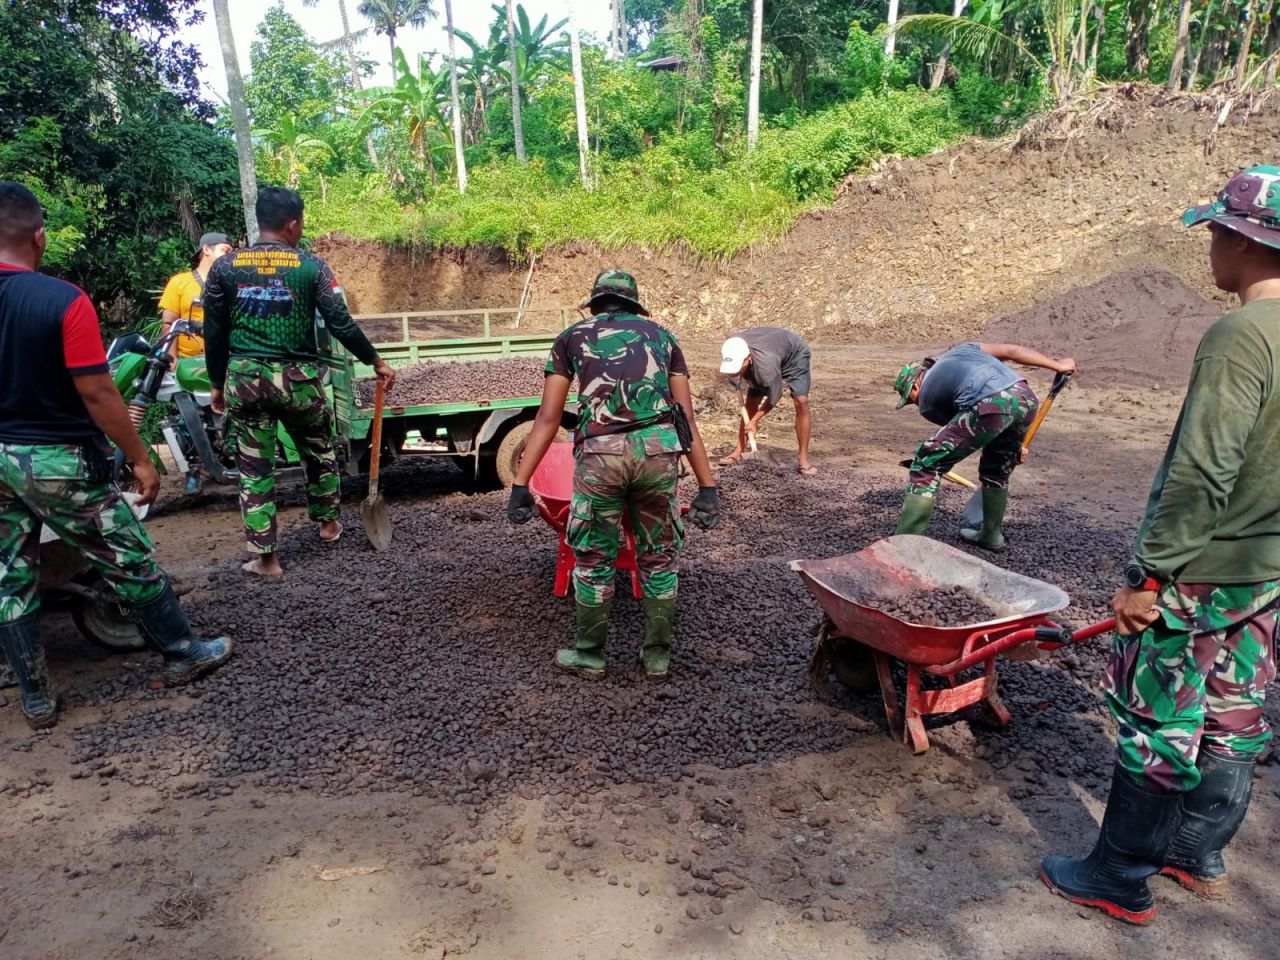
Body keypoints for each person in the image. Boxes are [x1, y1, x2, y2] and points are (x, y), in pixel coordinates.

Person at [1040, 165, 1280, 924]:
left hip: (1202, 571)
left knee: (1158, 721)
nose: (1209, 243)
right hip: (1268, 570)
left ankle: (1119, 875)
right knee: (1236, 711)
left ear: (1244, 239)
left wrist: (1149, 577)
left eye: (1216, 229)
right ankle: (1197, 854)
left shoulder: (1241, 338)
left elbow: (1204, 469)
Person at [0, 181, 232, 729]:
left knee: (9, 574)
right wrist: (140, 459)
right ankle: (183, 651)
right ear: (39, 236)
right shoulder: (61, 299)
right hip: (54, 460)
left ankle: (35, 696)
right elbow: (99, 393)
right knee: (126, 552)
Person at [506, 270, 721, 681]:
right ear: (634, 303)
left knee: (593, 558)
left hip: (601, 458)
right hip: (658, 456)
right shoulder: (663, 338)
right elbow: (685, 418)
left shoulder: (571, 338)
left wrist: (521, 483)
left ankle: (590, 656)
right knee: (659, 558)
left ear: (597, 302)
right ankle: (656, 657)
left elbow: (549, 417)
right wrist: (708, 485)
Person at [202, 187, 396, 579]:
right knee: (318, 450)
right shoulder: (313, 267)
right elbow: (339, 322)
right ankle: (328, 525)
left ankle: (267, 560)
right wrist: (374, 360)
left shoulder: (225, 268)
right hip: (299, 381)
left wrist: (218, 384)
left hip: (246, 380)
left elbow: (215, 331)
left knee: (255, 469)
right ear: (292, 223)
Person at [892, 342, 1076, 550]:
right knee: (996, 470)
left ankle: (906, 546)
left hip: (990, 403)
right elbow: (1012, 352)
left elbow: (965, 435)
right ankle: (991, 534)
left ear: (915, 385)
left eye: (910, 399)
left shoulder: (926, 401)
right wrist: (1057, 366)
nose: (915, 404)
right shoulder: (964, 350)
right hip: (1025, 397)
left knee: (927, 462)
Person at [157, 231, 234, 494]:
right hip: (190, 362)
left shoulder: (230, 281)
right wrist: (172, 356)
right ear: (206, 250)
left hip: (224, 360)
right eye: (225, 249)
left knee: (225, 413)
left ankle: (231, 459)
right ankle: (195, 469)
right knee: (189, 418)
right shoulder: (180, 283)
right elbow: (170, 322)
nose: (230, 254)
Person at [718, 327, 817, 475]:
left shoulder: (766, 366)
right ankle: (738, 451)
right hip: (770, 351)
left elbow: (774, 397)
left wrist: (755, 421)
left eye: (739, 367)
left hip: (794, 355)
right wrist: (734, 375)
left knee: (801, 401)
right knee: (751, 403)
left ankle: (803, 458)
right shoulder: (733, 346)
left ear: (749, 358)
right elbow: (733, 370)